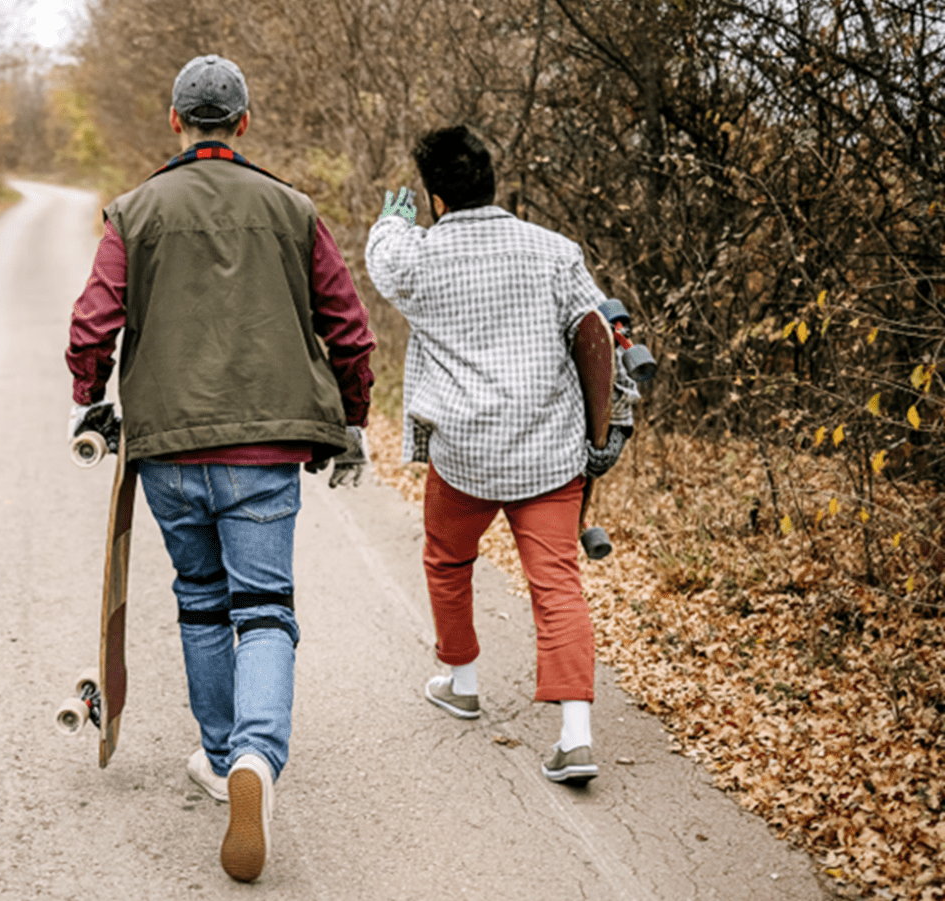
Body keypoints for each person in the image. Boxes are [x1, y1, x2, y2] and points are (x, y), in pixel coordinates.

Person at [65, 54, 376, 882]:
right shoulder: (293, 210)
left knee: (202, 603)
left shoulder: (133, 212)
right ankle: (256, 761)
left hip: (167, 447)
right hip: (268, 449)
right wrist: (355, 418)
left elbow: (92, 324)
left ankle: (216, 752)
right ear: (243, 123)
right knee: (266, 608)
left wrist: (86, 395)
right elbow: (350, 329)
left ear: (175, 121)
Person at [364, 125, 623, 785]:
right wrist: (600, 434)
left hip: (465, 456)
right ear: (491, 182)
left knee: (448, 560)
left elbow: (384, 255)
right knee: (556, 584)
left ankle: (463, 679)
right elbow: (596, 336)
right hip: (549, 454)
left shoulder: (420, 255)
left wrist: (392, 222)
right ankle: (575, 736)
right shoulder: (555, 251)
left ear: (437, 199)